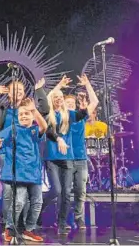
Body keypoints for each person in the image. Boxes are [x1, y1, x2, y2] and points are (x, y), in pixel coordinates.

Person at [0, 77, 48, 231]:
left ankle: (22, 225)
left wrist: (39, 91)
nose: (18, 92)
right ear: (8, 93)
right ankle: (8, 225)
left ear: (23, 93)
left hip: (27, 156)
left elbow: (45, 111)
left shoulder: (28, 109)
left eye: (21, 90)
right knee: (9, 193)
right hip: (6, 153)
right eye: (14, 90)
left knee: (26, 194)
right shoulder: (2, 109)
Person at [40, 74, 98, 235]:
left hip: (68, 159)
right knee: (56, 191)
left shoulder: (69, 115)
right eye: (57, 97)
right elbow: (49, 128)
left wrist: (87, 84)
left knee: (66, 193)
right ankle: (37, 209)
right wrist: (58, 86)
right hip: (52, 158)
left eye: (61, 97)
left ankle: (61, 222)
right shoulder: (48, 114)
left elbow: (94, 103)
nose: (59, 99)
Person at [0, 98, 47, 242]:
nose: (23, 116)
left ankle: (28, 230)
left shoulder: (35, 130)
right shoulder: (12, 129)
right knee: (19, 202)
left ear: (32, 116)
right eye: (21, 114)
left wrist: (34, 109)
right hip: (19, 173)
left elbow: (44, 126)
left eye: (27, 114)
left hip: (34, 173)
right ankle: (9, 228)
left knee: (37, 203)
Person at [64, 93, 89, 229]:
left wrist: (87, 86)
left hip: (80, 159)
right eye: (67, 103)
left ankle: (79, 218)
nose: (70, 105)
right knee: (66, 191)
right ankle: (64, 219)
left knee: (80, 190)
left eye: (72, 103)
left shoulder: (81, 118)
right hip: (66, 159)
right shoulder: (61, 118)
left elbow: (94, 102)